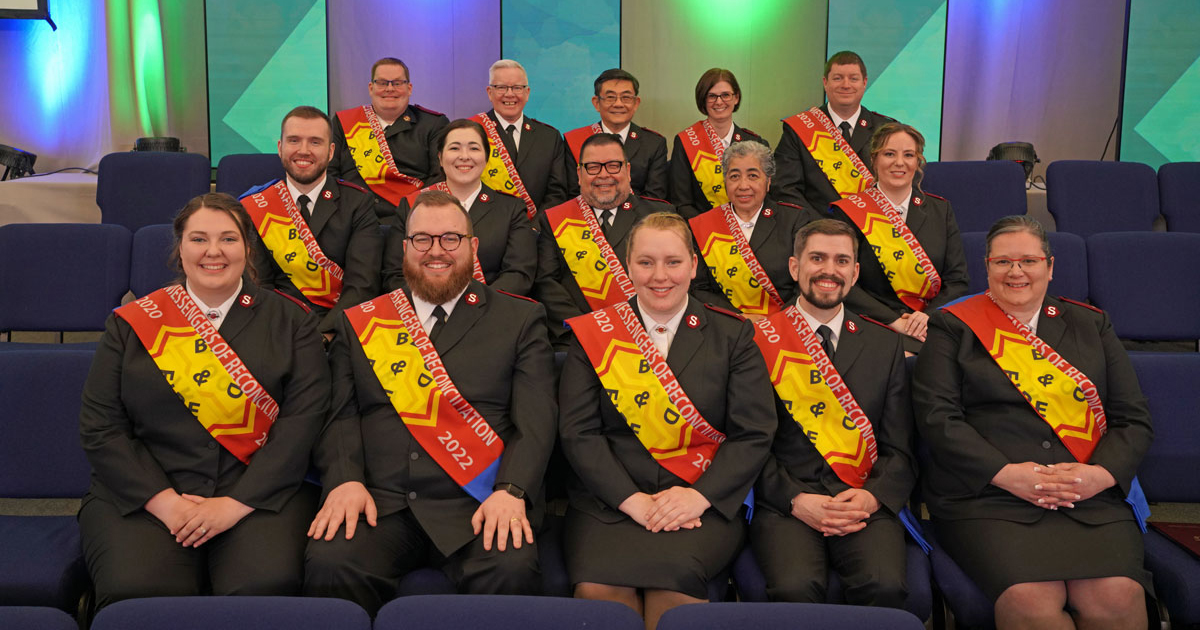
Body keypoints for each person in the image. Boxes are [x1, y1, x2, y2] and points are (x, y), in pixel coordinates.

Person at [304, 190, 557, 615]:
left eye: (450, 239)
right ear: (405, 248)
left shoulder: (520, 319)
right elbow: (340, 414)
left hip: (480, 501)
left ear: (473, 247)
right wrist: (345, 479)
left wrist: (511, 491)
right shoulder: (361, 322)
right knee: (331, 562)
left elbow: (536, 422)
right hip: (379, 503)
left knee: (511, 569)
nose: (435, 251)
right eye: (422, 239)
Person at [79, 193, 330, 608]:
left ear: (247, 248)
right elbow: (100, 427)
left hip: (255, 492)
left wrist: (232, 505)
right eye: (198, 239)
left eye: (228, 239)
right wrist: (168, 505)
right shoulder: (132, 324)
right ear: (180, 248)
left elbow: (302, 424)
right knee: (140, 597)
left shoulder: (292, 321)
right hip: (146, 492)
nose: (213, 251)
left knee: (262, 591)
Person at [913, 215, 1153, 629]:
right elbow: (938, 420)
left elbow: (1133, 419)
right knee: (1031, 602)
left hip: (1088, 495)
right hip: (990, 497)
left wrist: (1099, 475)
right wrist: (1006, 475)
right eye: (1003, 262)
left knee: (1117, 599)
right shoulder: (953, 327)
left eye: (1028, 260)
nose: (1016, 272)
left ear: (1050, 266)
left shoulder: (1091, 324)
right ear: (986, 267)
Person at [559, 212, 775, 630]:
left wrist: (699, 497)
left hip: (700, 505)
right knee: (599, 594)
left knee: (675, 594)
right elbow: (579, 433)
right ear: (628, 266)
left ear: (694, 266)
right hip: (610, 503)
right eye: (646, 262)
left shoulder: (734, 337)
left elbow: (753, 434)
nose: (660, 276)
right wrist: (631, 500)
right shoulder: (595, 335)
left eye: (673, 262)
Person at [750, 219, 915, 606]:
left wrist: (872, 498)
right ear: (795, 267)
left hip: (862, 499)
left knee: (885, 587)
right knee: (794, 590)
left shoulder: (884, 344)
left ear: (855, 273)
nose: (829, 270)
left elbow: (900, 447)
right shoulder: (756, 341)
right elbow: (748, 442)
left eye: (842, 260)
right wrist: (794, 498)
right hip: (788, 503)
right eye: (817, 258)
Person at [828, 122, 969, 353]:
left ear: (918, 162)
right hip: (872, 321)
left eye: (909, 155)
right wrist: (894, 321)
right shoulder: (850, 212)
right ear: (874, 160)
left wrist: (925, 317)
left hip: (929, 323)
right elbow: (842, 281)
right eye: (889, 154)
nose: (899, 163)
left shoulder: (940, 210)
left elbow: (957, 281)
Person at [245, 105, 383, 339]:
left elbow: (362, 285)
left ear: (331, 152)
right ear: (280, 148)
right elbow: (259, 285)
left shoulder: (358, 203)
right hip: (274, 330)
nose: (304, 150)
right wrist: (284, 334)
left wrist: (322, 334)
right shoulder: (256, 206)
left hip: (338, 331)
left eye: (315, 142)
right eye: (294, 140)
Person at [535, 133, 674, 347]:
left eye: (613, 166)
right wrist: (588, 329)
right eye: (593, 167)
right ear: (579, 174)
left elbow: (674, 278)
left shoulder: (660, 216)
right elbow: (546, 283)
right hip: (577, 340)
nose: (603, 175)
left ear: (627, 171)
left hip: (650, 338)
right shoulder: (555, 219)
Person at [382, 119, 537, 296]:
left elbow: (519, 274)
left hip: (489, 313)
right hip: (426, 312)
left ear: (486, 158)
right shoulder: (411, 206)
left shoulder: (511, 209)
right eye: (454, 148)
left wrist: (477, 306)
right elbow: (394, 275)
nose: (464, 156)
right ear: (440, 158)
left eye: (474, 148)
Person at [690, 141, 816, 320]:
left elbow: (805, 284)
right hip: (724, 324)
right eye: (734, 176)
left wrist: (776, 322)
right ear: (725, 181)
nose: (743, 185)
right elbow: (698, 289)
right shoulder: (704, 225)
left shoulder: (794, 220)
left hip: (785, 325)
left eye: (753, 176)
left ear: (768, 181)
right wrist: (739, 317)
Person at [330, 57, 449, 222]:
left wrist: (411, 213)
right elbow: (330, 173)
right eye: (382, 83)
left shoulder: (433, 124)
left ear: (409, 88)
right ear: (371, 88)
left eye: (398, 83)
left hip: (412, 219)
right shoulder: (343, 122)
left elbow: (440, 176)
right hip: (352, 218)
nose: (390, 89)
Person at [773, 51, 895, 211]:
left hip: (874, 229)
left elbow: (901, 183)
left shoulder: (886, 129)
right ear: (825, 82)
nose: (846, 85)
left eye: (853, 78)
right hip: (815, 229)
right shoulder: (799, 129)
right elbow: (784, 189)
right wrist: (821, 228)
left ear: (864, 83)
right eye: (838, 78)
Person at [469, 59, 571, 218]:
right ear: (490, 92)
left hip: (535, 234)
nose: (509, 94)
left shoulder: (549, 137)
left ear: (527, 93)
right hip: (482, 230)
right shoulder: (470, 132)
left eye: (517, 87)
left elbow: (556, 193)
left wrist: (535, 229)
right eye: (501, 87)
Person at [668, 68, 769, 219]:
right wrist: (710, 227)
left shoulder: (756, 143)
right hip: (703, 231)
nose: (719, 102)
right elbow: (681, 202)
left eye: (726, 95)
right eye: (712, 96)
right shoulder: (686, 141)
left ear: (736, 98)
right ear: (703, 100)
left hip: (749, 228)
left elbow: (766, 195)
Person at [563, 68, 669, 200]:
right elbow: (573, 194)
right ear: (596, 103)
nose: (618, 104)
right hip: (588, 218)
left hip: (639, 218)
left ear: (636, 103)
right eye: (610, 97)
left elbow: (655, 198)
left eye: (626, 97)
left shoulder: (654, 143)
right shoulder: (575, 140)